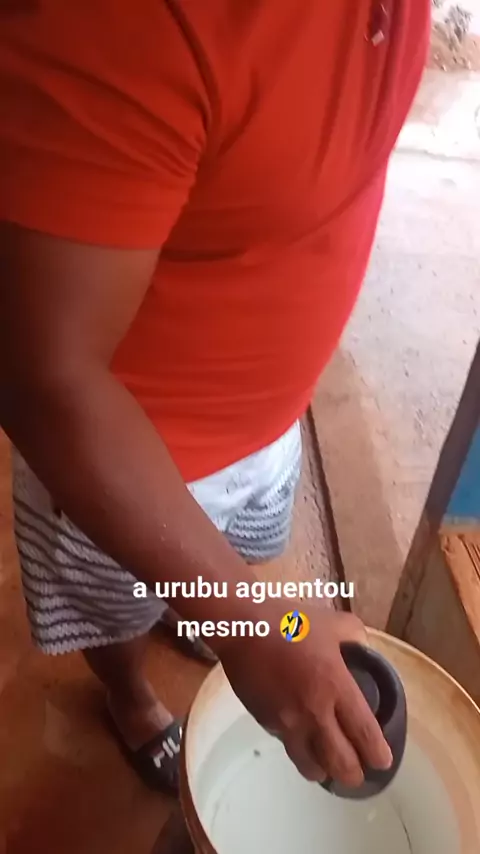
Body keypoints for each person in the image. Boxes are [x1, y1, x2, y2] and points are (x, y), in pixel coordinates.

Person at [0, 0, 429, 796]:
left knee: (244, 590)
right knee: (120, 612)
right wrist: (246, 626)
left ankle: (198, 603)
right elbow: (43, 380)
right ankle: (130, 699)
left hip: (270, 435)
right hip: (123, 479)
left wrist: (248, 618)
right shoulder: (125, 25)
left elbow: (264, 613)